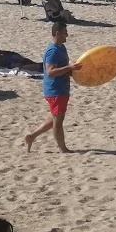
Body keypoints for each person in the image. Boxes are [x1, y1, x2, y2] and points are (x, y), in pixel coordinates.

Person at [24, 23, 78, 154]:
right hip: (55, 90)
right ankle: (62, 148)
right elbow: (50, 72)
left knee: (56, 118)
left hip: (62, 88)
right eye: (65, 32)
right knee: (58, 121)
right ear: (58, 33)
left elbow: (62, 67)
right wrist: (69, 68)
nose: (67, 35)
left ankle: (31, 137)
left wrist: (72, 71)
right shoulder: (52, 51)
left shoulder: (62, 47)